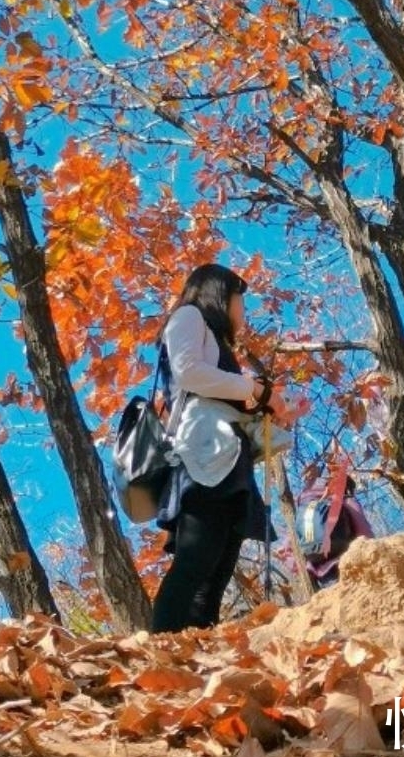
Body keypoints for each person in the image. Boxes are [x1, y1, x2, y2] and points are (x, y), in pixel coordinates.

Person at [150, 262, 274, 633]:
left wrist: (267, 403)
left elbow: (221, 390)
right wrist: (250, 388)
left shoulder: (218, 343)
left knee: (219, 565)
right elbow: (188, 372)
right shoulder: (189, 316)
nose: (242, 311)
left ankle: (197, 653)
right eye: (239, 299)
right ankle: (161, 648)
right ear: (221, 294)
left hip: (228, 456)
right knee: (196, 557)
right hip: (203, 453)